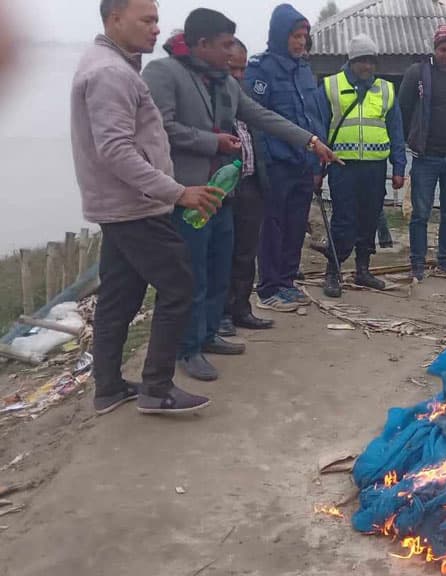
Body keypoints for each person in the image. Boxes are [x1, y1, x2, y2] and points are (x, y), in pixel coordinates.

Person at [144, 10, 331, 382]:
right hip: (189, 192)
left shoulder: (225, 83)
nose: (232, 52)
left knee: (219, 267)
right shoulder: (164, 74)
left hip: (222, 193)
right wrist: (210, 141)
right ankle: (188, 347)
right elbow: (160, 128)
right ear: (202, 44)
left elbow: (261, 116)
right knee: (193, 273)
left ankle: (211, 332)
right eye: (226, 44)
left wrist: (310, 141)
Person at [73, 0, 223, 414]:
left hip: (119, 205)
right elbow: (116, 151)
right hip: (135, 206)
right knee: (179, 286)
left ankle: (108, 387)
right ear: (114, 18)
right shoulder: (110, 73)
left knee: (119, 297)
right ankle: (156, 388)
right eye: (147, 20)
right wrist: (177, 192)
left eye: (156, 19)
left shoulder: (110, 64)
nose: (156, 28)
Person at [245, 3, 332, 312]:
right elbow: (255, 119)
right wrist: (265, 161)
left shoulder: (304, 70)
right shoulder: (261, 70)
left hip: (303, 163)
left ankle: (286, 282)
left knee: (296, 225)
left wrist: (316, 162)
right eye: (295, 36)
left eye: (304, 36)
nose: (300, 42)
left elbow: (314, 116)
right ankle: (268, 288)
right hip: (275, 164)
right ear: (281, 35)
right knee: (272, 226)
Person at [321, 35, 407, 298]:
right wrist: (316, 168)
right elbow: (319, 128)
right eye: (361, 61)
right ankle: (333, 273)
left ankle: (363, 270)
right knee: (343, 220)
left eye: (371, 61)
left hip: (375, 167)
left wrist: (399, 166)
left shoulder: (386, 90)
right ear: (351, 61)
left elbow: (396, 130)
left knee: (369, 218)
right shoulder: (330, 86)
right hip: (342, 166)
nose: (367, 67)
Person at [399, 24, 446, 281]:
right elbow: (404, 109)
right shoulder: (418, 73)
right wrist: (412, 139)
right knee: (421, 212)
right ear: (434, 49)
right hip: (427, 156)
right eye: (443, 49)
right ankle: (418, 263)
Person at [220, 39, 276, 336]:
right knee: (223, 255)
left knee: (246, 252)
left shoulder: (243, 96)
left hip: (252, 184)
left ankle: (242, 308)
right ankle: (222, 314)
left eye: (243, 68)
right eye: (233, 68)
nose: (240, 75)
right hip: (225, 191)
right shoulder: (212, 99)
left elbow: (263, 127)